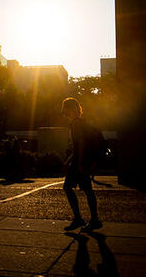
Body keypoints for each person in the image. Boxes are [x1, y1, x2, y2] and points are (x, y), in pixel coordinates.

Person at [61, 97, 102, 231]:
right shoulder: (80, 122)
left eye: (65, 106)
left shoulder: (75, 124)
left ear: (70, 109)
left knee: (69, 187)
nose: (63, 109)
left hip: (79, 163)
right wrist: (70, 160)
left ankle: (81, 219)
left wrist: (78, 162)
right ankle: (93, 219)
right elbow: (79, 145)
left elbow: (81, 142)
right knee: (87, 190)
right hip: (81, 161)